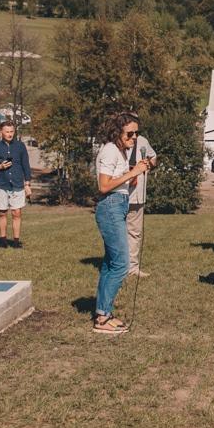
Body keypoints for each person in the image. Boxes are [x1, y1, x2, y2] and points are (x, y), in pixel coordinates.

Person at [90, 113, 148, 334]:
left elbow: (119, 182)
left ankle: (104, 312)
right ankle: (102, 319)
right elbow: (103, 186)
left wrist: (133, 173)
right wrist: (132, 172)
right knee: (122, 264)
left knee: (110, 263)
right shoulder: (109, 151)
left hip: (120, 204)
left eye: (136, 133)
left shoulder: (120, 152)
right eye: (130, 133)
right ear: (117, 132)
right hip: (110, 206)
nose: (134, 137)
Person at [0, 119, 32, 248]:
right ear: (1, 132)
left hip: (18, 184)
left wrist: (27, 184)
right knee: (2, 212)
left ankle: (16, 241)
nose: (9, 134)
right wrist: (0, 166)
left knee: (16, 213)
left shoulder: (20, 146)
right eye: (7, 131)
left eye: (12, 131)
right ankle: (3, 240)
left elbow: (26, 165)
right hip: (1, 184)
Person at [124, 122, 158, 277]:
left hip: (137, 193)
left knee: (135, 232)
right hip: (120, 193)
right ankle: (118, 265)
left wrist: (149, 165)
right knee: (118, 232)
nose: (135, 135)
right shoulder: (114, 144)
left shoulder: (142, 141)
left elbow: (153, 157)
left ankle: (133, 267)